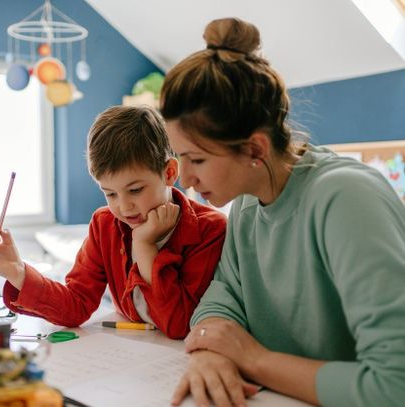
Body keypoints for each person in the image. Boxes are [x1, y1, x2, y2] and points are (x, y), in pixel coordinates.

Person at [160, 17, 405, 407]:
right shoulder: (246, 203)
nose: (184, 178)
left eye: (197, 160)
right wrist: (210, 351)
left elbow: (395, 386)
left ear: (255, 150)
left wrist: (254, 359)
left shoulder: (345, 198)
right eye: (179, 158)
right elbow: (223, 295)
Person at [0, 105, 227, 339]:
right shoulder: (104, 224)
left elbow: (179, 325)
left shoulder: (210, 229)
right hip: (129, 355)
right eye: (110, 194)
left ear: (170, 173)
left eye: (136, 190)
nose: (124, 206)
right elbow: (76, 305)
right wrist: (17, 271)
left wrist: (144, 247)